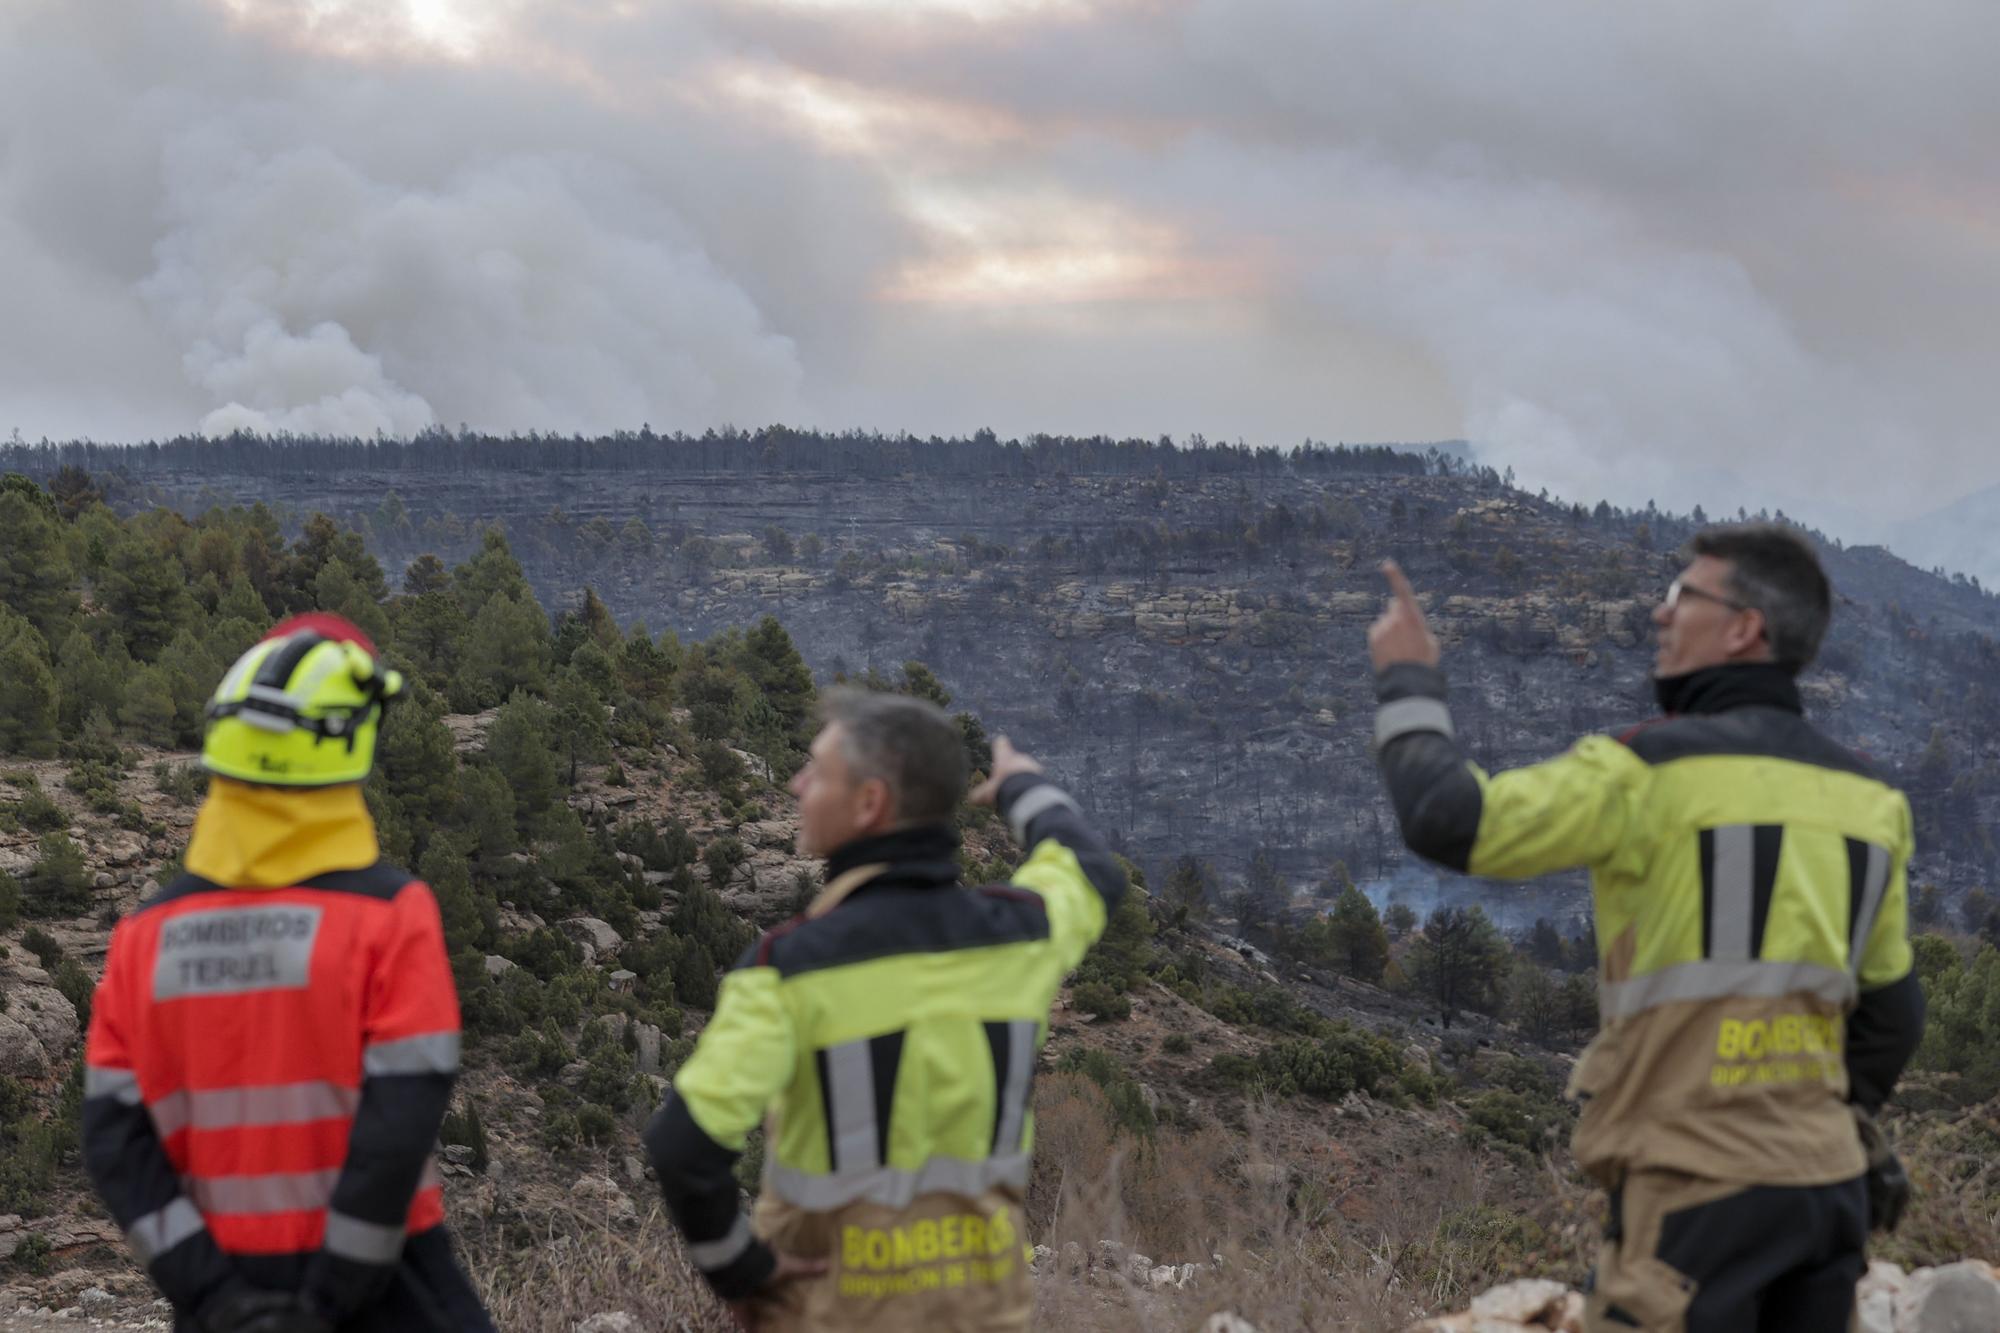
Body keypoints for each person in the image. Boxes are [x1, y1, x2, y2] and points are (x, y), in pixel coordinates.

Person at [1366, 525, 1924, 1332]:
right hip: (1827, 1196)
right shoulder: (1873, 802)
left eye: (1680, 597)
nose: (1659, 615)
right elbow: (1893, 1016)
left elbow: (1447, 817)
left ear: (1744, 628)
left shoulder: (1644, 772)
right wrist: (1810, 1128)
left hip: (1695, 1195)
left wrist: (1410, 681)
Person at [645, 687, 1126, 1331]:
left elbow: (682, 1146)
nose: (795, 784)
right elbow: (1092, 869)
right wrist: (1020, 786)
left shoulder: (787, 969)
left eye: (817, 770)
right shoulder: (1021, 936)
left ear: (869, 803)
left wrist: (741, 1272)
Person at [82, 613, 494, 1333]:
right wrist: (328, 1297)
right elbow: (399, 1123)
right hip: (387, 1288)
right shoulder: (392, 916)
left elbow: (114, 1141)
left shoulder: (141, 938)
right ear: (346, 748)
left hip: (218, 1295)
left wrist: (216, 1298)